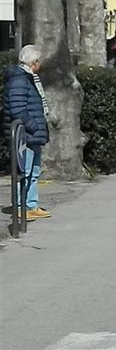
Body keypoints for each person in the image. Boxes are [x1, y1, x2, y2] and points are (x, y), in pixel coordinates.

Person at [3, 45, 51, 221]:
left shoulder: (29, 78)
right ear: (33, 62)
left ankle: (31, 204)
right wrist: (34, 126)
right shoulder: (20, 80)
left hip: (33, 134)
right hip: (26, 134)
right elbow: (18, 109)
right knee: (23, 170)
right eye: (38, 61)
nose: (40, 64)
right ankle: (20, 206)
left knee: (33, 171)